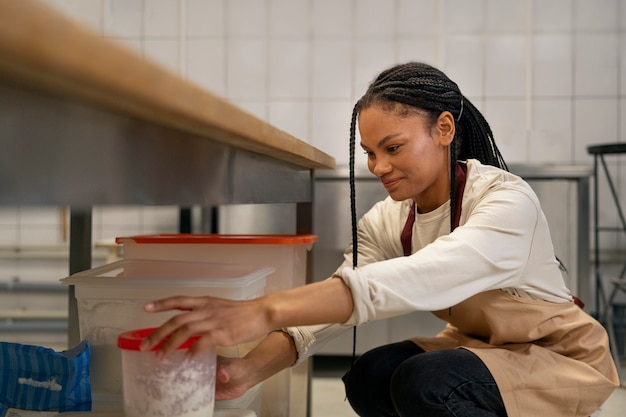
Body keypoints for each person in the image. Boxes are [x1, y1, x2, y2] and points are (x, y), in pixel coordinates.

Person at [140, 62, 619, 416]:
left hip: (559, 357)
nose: (379, 167)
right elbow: (329, 310)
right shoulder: (389, 220)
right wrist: (245, 371)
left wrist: (263, 309)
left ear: (444, 129)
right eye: (370, 153)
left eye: (393, 148)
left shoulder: (504, 200)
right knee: (370, 376)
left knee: (427, 382)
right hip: (483, 348)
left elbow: (429, 274)